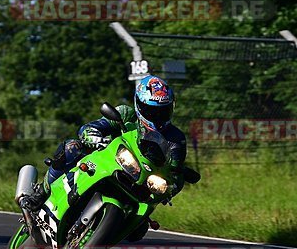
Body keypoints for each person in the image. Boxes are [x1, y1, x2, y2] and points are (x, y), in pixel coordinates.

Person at [19, 75, 187, 211]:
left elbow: (176, 173)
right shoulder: (126, 114)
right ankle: (41, 192)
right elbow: (89, 128)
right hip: (103, 161)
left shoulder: (176, 138)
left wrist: (171, 186)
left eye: (163, 111)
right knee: (72, 147)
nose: (157, 117)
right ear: (139, 105)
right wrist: (95, 138)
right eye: (152, 111)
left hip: (139, 179)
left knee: (140, 228)